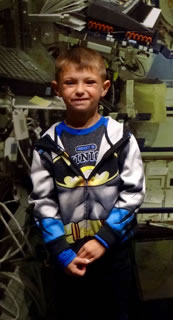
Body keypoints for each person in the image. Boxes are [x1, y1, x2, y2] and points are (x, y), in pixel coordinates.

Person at [29, 46, 145, 319]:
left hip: (114, 250)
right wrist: (61, 251)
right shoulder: (47, 145)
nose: (80, 90)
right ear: (57, 89)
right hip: (69, 254)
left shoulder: (120, 138)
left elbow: (133, 193)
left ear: (104, 88)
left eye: (89, 82)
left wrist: (104, 239)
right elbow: (43, 201)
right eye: (70, 83)